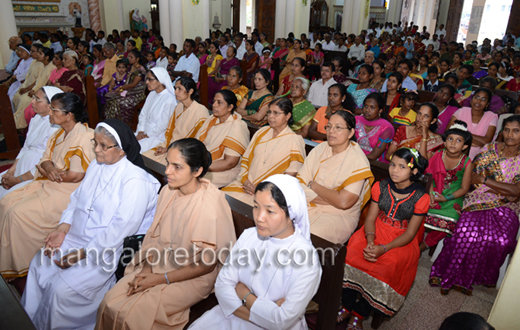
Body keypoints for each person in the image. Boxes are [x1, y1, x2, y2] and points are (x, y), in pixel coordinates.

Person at [22, 119, 160, 329]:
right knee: (39, 264)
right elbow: (77, 198)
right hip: (74, 237)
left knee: (60, 291)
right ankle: (27, 322)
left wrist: (82, 253)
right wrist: (62, 228)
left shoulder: (136, 181)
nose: (96, 150)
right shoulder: (97, 165)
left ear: (122, 150)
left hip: (103, 251)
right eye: (95, 142)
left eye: (104, 146)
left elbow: (121, 230)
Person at [96, 138, 236, 330]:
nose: (168, 171)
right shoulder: (168, 191)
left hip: (193, 275)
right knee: (109, 302)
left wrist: (160, 279)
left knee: (133, 316)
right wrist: (146, 269)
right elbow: (155, 236)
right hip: (157, 261)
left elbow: (205, 264)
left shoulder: (209, 205)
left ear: (197, 171)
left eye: (177, 167)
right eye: (168, 163)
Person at [189, 174, 321, 330]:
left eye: (270, 211)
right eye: (256, 206)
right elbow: (222, 285)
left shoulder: (307, 260)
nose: (259, 217)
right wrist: (262, 311)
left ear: (290, 213)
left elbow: (281, 321)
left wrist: (243, 293)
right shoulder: (249, 235)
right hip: (232, 315)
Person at [0, 93, 95, 280]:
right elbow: (44, 159)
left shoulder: (85, 137)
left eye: (54, 110)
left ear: (69, 115)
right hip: (50, 182)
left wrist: (49, 171)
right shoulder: (59, 133)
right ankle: (7, 256)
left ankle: (22, 262)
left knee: (18, 213)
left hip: (69, 191)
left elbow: (76, 175)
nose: (50, 113)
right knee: (6, 202)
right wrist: (49, 168)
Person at [430, 115, 520, 295]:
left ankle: (475, 277)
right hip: (478, 198)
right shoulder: (489, 149)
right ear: (502, 131)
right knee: (464, 230)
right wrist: (503, 189)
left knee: (501, 241)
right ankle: (445, 273)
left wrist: (487, 180)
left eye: (516, 131)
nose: (510, 134)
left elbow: (516, 192)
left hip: (507, 208)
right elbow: (473, 178)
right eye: (507, 129)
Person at [298, 111, 373, 244]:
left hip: (340, 215)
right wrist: (334, 197)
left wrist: (314, 186)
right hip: (308, 205)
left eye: (338, 127)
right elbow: (300, 183)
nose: (331, 131)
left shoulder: (358, 160)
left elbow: (344, 203)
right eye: (329, 126)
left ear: (350, 133)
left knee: (311, 236)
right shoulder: (320, 149)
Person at [222, 98, 306, 206]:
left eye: (276, 113)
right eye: (269, 112)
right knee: (218, 200)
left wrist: (262, 189)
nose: (271, 116)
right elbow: (245, 161)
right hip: (245, 186)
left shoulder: (294, 140)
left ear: (288, 116)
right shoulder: (261, 132)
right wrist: (246, 181)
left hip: (271, 194)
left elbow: (290, 177)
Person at [0, 87, 62, 199]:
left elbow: (48, 160)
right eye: (33, 97)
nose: (32, 101)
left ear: (51, 105)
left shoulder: (57, 126)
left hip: (36, 172)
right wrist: (11, 170)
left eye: (37, 99)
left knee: (8, 198)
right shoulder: (36, 118)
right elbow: (25, 147)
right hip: (23, 164)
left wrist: (17, 180)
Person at [420, 121, 472, 252]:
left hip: (452, 196)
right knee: (418, 211)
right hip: (433, 190)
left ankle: (425, 245)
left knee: (453, 219)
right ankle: (414, 241)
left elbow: (464, 189)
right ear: (444, 141)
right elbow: (429, 176)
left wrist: (446, 198)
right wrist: (431, 193)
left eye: (458, 140)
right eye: (450, 139)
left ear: (465, 146)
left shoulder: (467, 162)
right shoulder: (438, 154)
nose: (453, 143)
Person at [193, 90, 250, 187]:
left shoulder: (237, 126)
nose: (214, 105)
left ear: (230, 107)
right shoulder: (212, 119)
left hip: (227, 171)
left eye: (219, 102)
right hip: (204, 164)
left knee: (194, 181)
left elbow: (230, 163)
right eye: (214, 101)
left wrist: (201, 168)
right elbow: (197, 143)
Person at [143, 77, 209, 162]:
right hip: (171, 145)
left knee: (157, 162)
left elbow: (198, 141)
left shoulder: (200, 111)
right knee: (145, 157)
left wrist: (169, 149)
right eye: (175, 88)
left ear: (190, 91)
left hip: (186, 152)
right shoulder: (179, 106)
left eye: (179, 89)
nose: (175, 92)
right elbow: (170, 130)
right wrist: (166, 147)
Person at [135, 67, 177, 153]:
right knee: (123, 141)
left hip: (157, 137)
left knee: (134, 148)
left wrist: (146, 135)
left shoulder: (170, 99)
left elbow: (162, 126)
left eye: (150, 79)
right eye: (147, 79)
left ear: (160, 81)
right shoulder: (152, 93)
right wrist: (140, 131)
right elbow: (143, 115)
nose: (147, 82)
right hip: (143, 133)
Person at [447, 88, 498, 159]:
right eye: (477, 97)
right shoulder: (461, 111)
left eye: (483, 99)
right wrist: (476, 141)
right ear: (471, 100)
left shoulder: (491, 117)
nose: (478, 101)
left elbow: (486, 142)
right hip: (456, 151)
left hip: (480, 156)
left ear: (487, 104)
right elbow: (448, 133)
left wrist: (463, 135)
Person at [13, 47, 56, 129]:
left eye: (40, 53)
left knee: (25, 100)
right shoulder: (44, 65)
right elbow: (38, 81)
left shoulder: (51, 67)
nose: (37, 55)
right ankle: (16, 121)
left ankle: (21, 125)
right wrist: (32, 90)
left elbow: (45, 85)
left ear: (46, 57)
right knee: (17, 97)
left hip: (43, 94)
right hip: (36, 90)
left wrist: (34, 91)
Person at [104, 49, 147, 126]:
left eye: (131, 57)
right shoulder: (131, 68)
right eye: (128, 57)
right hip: (128, 91)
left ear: (137, 59)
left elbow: (133, 85)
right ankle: (112, 123)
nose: (129, 59)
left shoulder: (140, 70)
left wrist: (121, 88)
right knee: (110, 98)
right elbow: (126, 81)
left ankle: (124, 124)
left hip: (137, 93)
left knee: (119, 101)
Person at [355, 92, 395, 162]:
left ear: (380, 111)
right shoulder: (356, 120)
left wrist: (355, 162)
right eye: (366, 106)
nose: (367, 110)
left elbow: (374, 155)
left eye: (372, 107)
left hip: (373, 163)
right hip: (352, 156)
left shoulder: (386, 128)